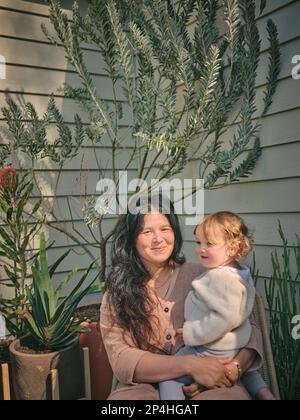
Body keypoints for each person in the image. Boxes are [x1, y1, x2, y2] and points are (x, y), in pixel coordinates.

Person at [100, 195, 265, 400]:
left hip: (215, 381)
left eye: (164, 229)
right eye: (147, 231)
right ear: (132, 238)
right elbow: (121, 357)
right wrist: (189, 365)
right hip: (142, 386)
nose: (157, 238)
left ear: (175, 232)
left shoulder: (207, 273)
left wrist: (232, 369)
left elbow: (250, 330)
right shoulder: (118, 292)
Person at [159, 211, 275, 400]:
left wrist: (190, 332)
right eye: (198, 242)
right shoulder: (240, 274)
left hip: (208, 348)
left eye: (209, 244)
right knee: (248, 372)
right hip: (235, 346)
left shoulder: (219, 278)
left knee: (168, 375)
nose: (201, 249)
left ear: (231, 249)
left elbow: (224, 317)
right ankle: (264, 393)